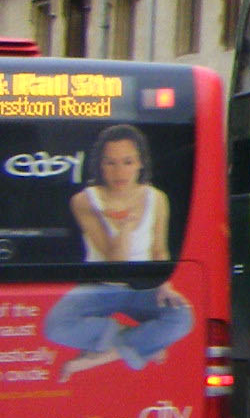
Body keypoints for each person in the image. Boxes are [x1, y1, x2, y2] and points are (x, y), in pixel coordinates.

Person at [44, 124, 192, 381]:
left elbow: (159, 250)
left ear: (140, 164)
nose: (119, 171)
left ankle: (103, 355)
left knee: (182, 317)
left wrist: (164, 283)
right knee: (55, 324)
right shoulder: (84, 200)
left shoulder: (157, 199)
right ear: (101, 166)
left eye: (127, 162)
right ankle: (139, 343)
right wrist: (123, 227)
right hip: (102, 286)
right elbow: (115, 263)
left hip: (142, 285)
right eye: (110, 163)